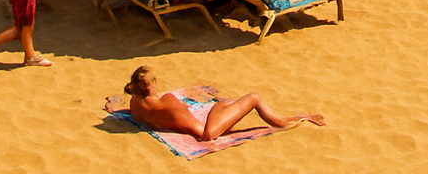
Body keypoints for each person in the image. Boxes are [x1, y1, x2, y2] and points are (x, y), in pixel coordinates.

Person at [125, 66, 324, 140]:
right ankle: (284, 121)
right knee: (253, 97)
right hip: (206, 132)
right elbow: (183, 115)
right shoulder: (168, 100)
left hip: (201, 130)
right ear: (149, 85)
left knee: (223, 106)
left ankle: (224, 106)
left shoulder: (135, 104)